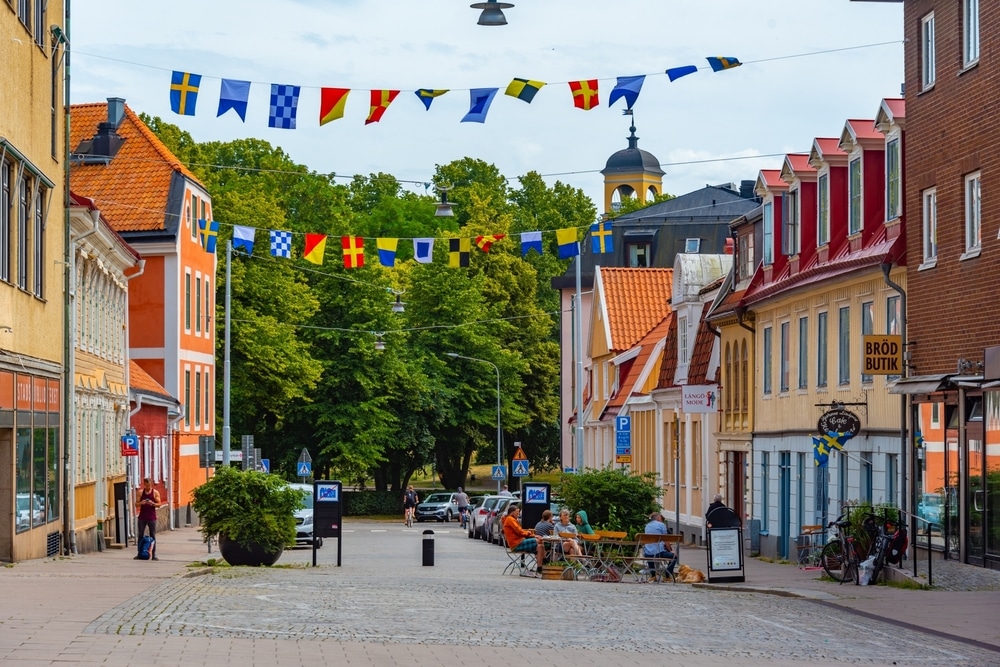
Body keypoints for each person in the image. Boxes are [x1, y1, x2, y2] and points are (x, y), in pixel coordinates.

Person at [502, 504, 546, 574]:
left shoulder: (511, 519)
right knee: (539, 540)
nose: (518, 514)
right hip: (516, 544)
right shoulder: (510, 519)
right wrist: (532, 535)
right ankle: (545, 562)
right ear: (512, 512)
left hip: (519, 542)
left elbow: (519, 531)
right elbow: (519, 531)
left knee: (540, 546)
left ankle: (540, 568)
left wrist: (531, 534)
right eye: (517, 512)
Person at [134, 478, 160, 561]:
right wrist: (141, 503)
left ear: (151, 484)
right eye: (146, 486)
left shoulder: (155, 492)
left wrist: (152, 504)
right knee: (140, 535)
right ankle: (139, 553)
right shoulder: (140, 493)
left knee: (153, 535)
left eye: (149, 486)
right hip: (142, 516)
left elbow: (158, 504)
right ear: (144, 484)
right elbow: (136, 504)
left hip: (152, 517)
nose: (148, 487)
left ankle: (154, 554)